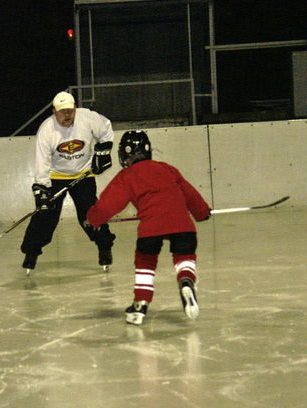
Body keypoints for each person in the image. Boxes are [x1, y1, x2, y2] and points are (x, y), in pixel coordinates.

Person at [86, 130, 211, 325]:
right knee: (184, 256)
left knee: (145, 262)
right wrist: (202, 212)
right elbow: (190, 194)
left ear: (125, 155)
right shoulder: (168, 169)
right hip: (183, 224)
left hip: (151, 227)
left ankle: (140, 304)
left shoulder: (127, 175)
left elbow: (108, 204)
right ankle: (186, 279)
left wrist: (93, 219)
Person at [20, 91, 116, 273]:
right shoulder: (47, 130)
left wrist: (103, 152)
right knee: (45, 217)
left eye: (70, 111)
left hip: (84, 174)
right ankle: (31, 253)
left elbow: (106, 129)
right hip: (56, 176)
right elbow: (42, 164)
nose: (67, 115)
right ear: (54, 111)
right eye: (62, 111)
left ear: (75, 109)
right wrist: (42, 189)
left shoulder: (88, 118)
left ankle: (104, 247)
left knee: (90, 214)